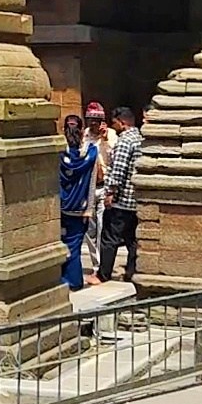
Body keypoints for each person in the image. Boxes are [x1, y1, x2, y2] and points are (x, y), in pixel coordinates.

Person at [86, 106, 142, 285]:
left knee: (109, 237)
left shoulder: (125, 141)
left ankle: (103, 274)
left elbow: (118, 169)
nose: (113, 125)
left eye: (115, 122)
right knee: (131, 238)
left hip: (122, 199)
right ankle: (131, 271)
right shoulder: (139, 137)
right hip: (134, 198)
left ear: (122, 122)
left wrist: (110, 192)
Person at [59, 114, 98, 290]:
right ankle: (73, 281)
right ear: (82, 131)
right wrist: (89, 209)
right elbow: (92, 182)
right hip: (80, 208)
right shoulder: (90, 153)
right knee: (74, 245)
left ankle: (64, 279)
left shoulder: (58, 153)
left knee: (60, 243)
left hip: (60, 206)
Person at [83, 102, 117, 269]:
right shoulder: (85, 135)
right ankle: (96, 263)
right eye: (90, 120)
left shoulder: (111, 134)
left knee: (103, 226)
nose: (93, 124)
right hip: (88, 187)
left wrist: (104, 140)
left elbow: (114, 157)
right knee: (89, 228)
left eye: (96, 121)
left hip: (104, 186)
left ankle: (104, 264)